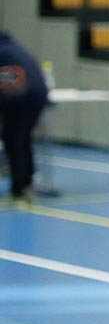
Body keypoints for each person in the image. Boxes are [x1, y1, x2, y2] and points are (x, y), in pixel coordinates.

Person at [0, 30, 50, 201]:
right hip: (36, 97)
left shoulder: (3, 52)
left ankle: (19, 187)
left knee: (14, 140)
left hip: (22, 99)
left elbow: (11, 83)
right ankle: (26, 183)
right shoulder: (15, 48)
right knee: (23, 139)